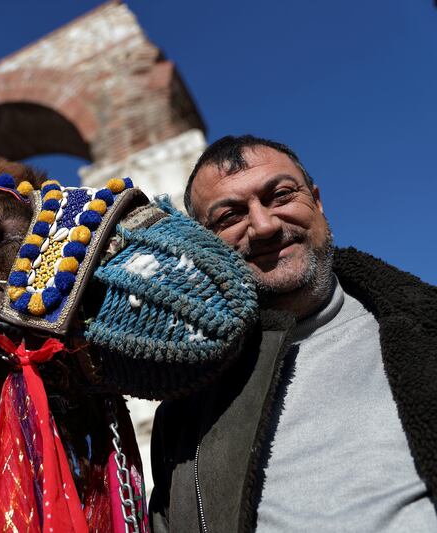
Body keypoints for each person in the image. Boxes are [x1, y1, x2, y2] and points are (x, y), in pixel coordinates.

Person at [149, 135, 437, 532]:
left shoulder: (426, 329)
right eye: (229, 217)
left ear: (316, 201)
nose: (264, 226)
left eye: (280, 196)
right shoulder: (184, 422)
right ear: (204, 246)